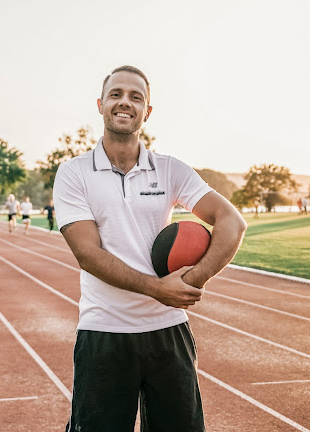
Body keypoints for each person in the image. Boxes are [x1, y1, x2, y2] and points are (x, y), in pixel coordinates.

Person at [53, 65, 247, 432]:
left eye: (135, 97)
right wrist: (157, 289)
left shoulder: (171, 170)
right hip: (104, 332)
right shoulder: (74, 173)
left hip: (168, 330)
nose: (125, 102)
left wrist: (192, 280)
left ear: (147, 112)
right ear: (100, 105)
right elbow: (87, 254)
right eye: (116, 94)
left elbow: (232, 221)